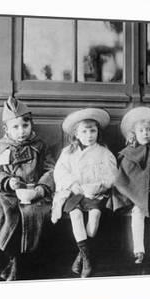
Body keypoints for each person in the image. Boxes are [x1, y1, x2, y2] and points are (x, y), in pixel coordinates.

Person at [0, 97, 55, 281]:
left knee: (31, 217)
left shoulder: (40, 145)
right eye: (16, 127)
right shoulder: (1, 146)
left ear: (31, 124)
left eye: (25, 125)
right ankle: (12, 259)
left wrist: (40, 189)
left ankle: (18, 264)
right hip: (7, 194)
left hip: (33, 194)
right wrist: (7, 181)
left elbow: (51, 170)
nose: (21, 131)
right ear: (6, 129)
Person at [51, 108, 117, 278]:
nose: (89, 135)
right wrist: (72, 184)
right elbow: (59, 172)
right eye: (84, 131)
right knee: (76, 216)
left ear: (98, 133)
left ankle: (80, 255)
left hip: (95, 194)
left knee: (94, 218)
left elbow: (112, 176)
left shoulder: (104, 152)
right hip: (74, 193)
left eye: (92, 131)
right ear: (76, 134)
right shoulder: (68, 152)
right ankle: (87, 260)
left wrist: (100, 186)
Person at [114, 106, 150, 264]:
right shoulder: (129, 153)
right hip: (137, 193)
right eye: (141, 130)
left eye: (148, 130)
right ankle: (138, 250)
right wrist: (136, 191)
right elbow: (125, 177)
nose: (145, 133)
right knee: (137, 212)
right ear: (134, 133)